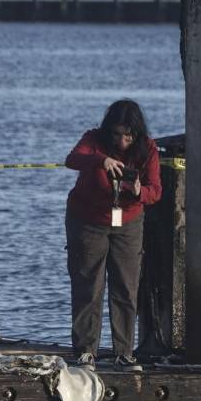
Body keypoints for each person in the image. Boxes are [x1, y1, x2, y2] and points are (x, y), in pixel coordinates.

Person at [65, 99, 162, 372]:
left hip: (128, 221)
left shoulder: (148, 149)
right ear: (108, 131)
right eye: (117, 134)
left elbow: (156, 192)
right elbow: (72, 159)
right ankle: (85, 351)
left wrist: (138, 190)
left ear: (137, 133)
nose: (122, 141)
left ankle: (124, 352)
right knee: (88, 285)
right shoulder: (93, 139)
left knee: (126, 287)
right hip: (87, 219)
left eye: (128, 136)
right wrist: (101, 161)